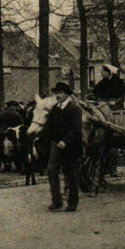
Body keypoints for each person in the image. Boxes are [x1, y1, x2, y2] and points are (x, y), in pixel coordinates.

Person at [47, 82, 83, 212]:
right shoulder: (54, 109)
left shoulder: (75, 109)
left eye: (60, 93)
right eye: (56, 93)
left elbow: (76, 128)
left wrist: (66, 141)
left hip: (71, 146)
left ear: (67, 95)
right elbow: (49, 127)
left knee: (72, 173)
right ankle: (56, 201)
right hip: (56, 144)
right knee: (51, 170)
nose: (57, 95)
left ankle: (72, 203)